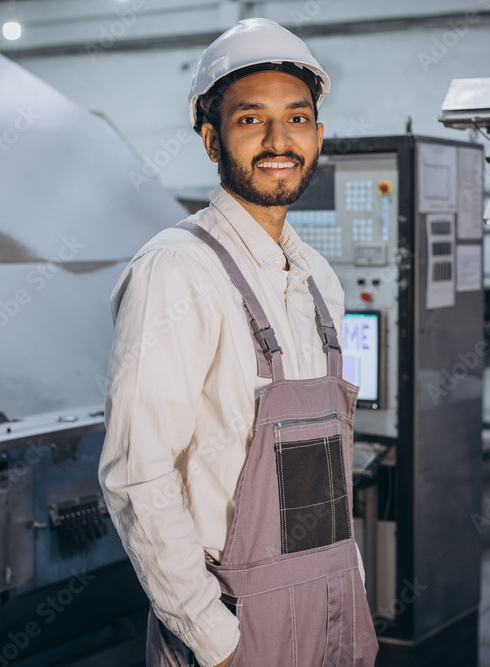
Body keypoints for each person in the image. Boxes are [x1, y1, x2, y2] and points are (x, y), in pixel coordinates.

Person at [100, 18, 378, 667]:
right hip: (234, 628)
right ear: (210, 138)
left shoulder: (320, 284)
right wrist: (212, 638)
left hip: (334, 612)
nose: (280, 140)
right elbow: (136, 473)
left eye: (299, 119)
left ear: (317, 133)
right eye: (252, 120)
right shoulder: (177, 271)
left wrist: (351, 588)